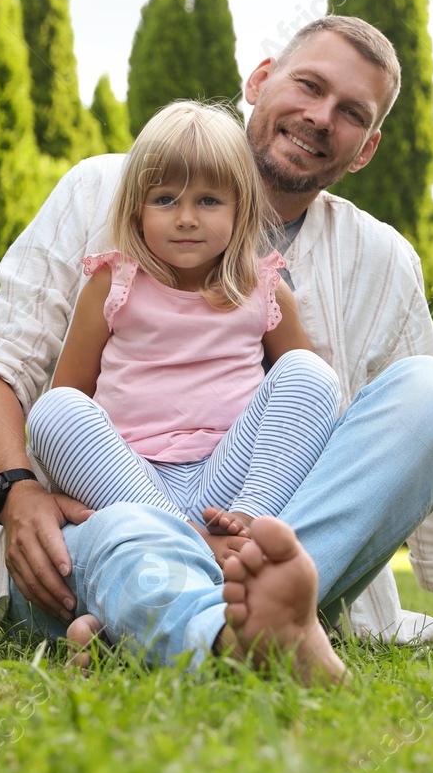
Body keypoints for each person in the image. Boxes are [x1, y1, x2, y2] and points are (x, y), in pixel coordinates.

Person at [0, 15, 433, 687]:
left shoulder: (382, 258)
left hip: (263, 520)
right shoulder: (101, 189)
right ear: (260, 79)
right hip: (101, 533)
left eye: (351, 113)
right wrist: (16, 494)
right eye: (310, 85)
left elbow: (424, 452)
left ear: (365, 148)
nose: (319, 117)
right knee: (100, 489)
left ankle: (191, 621)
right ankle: (234, 624)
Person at [27, 99, 342, 568]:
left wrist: (250, 501)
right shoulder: (114, 284)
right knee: (53, 411)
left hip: (230, 480)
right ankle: (194, 549)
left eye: (209, 201)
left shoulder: (263, 289)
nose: (187, 217)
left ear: (242, 208)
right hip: (134, 481)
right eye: (165, 199)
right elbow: (71, 393)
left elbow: (307, 407)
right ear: (136, 209)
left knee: (312, 374)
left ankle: (249, 529)